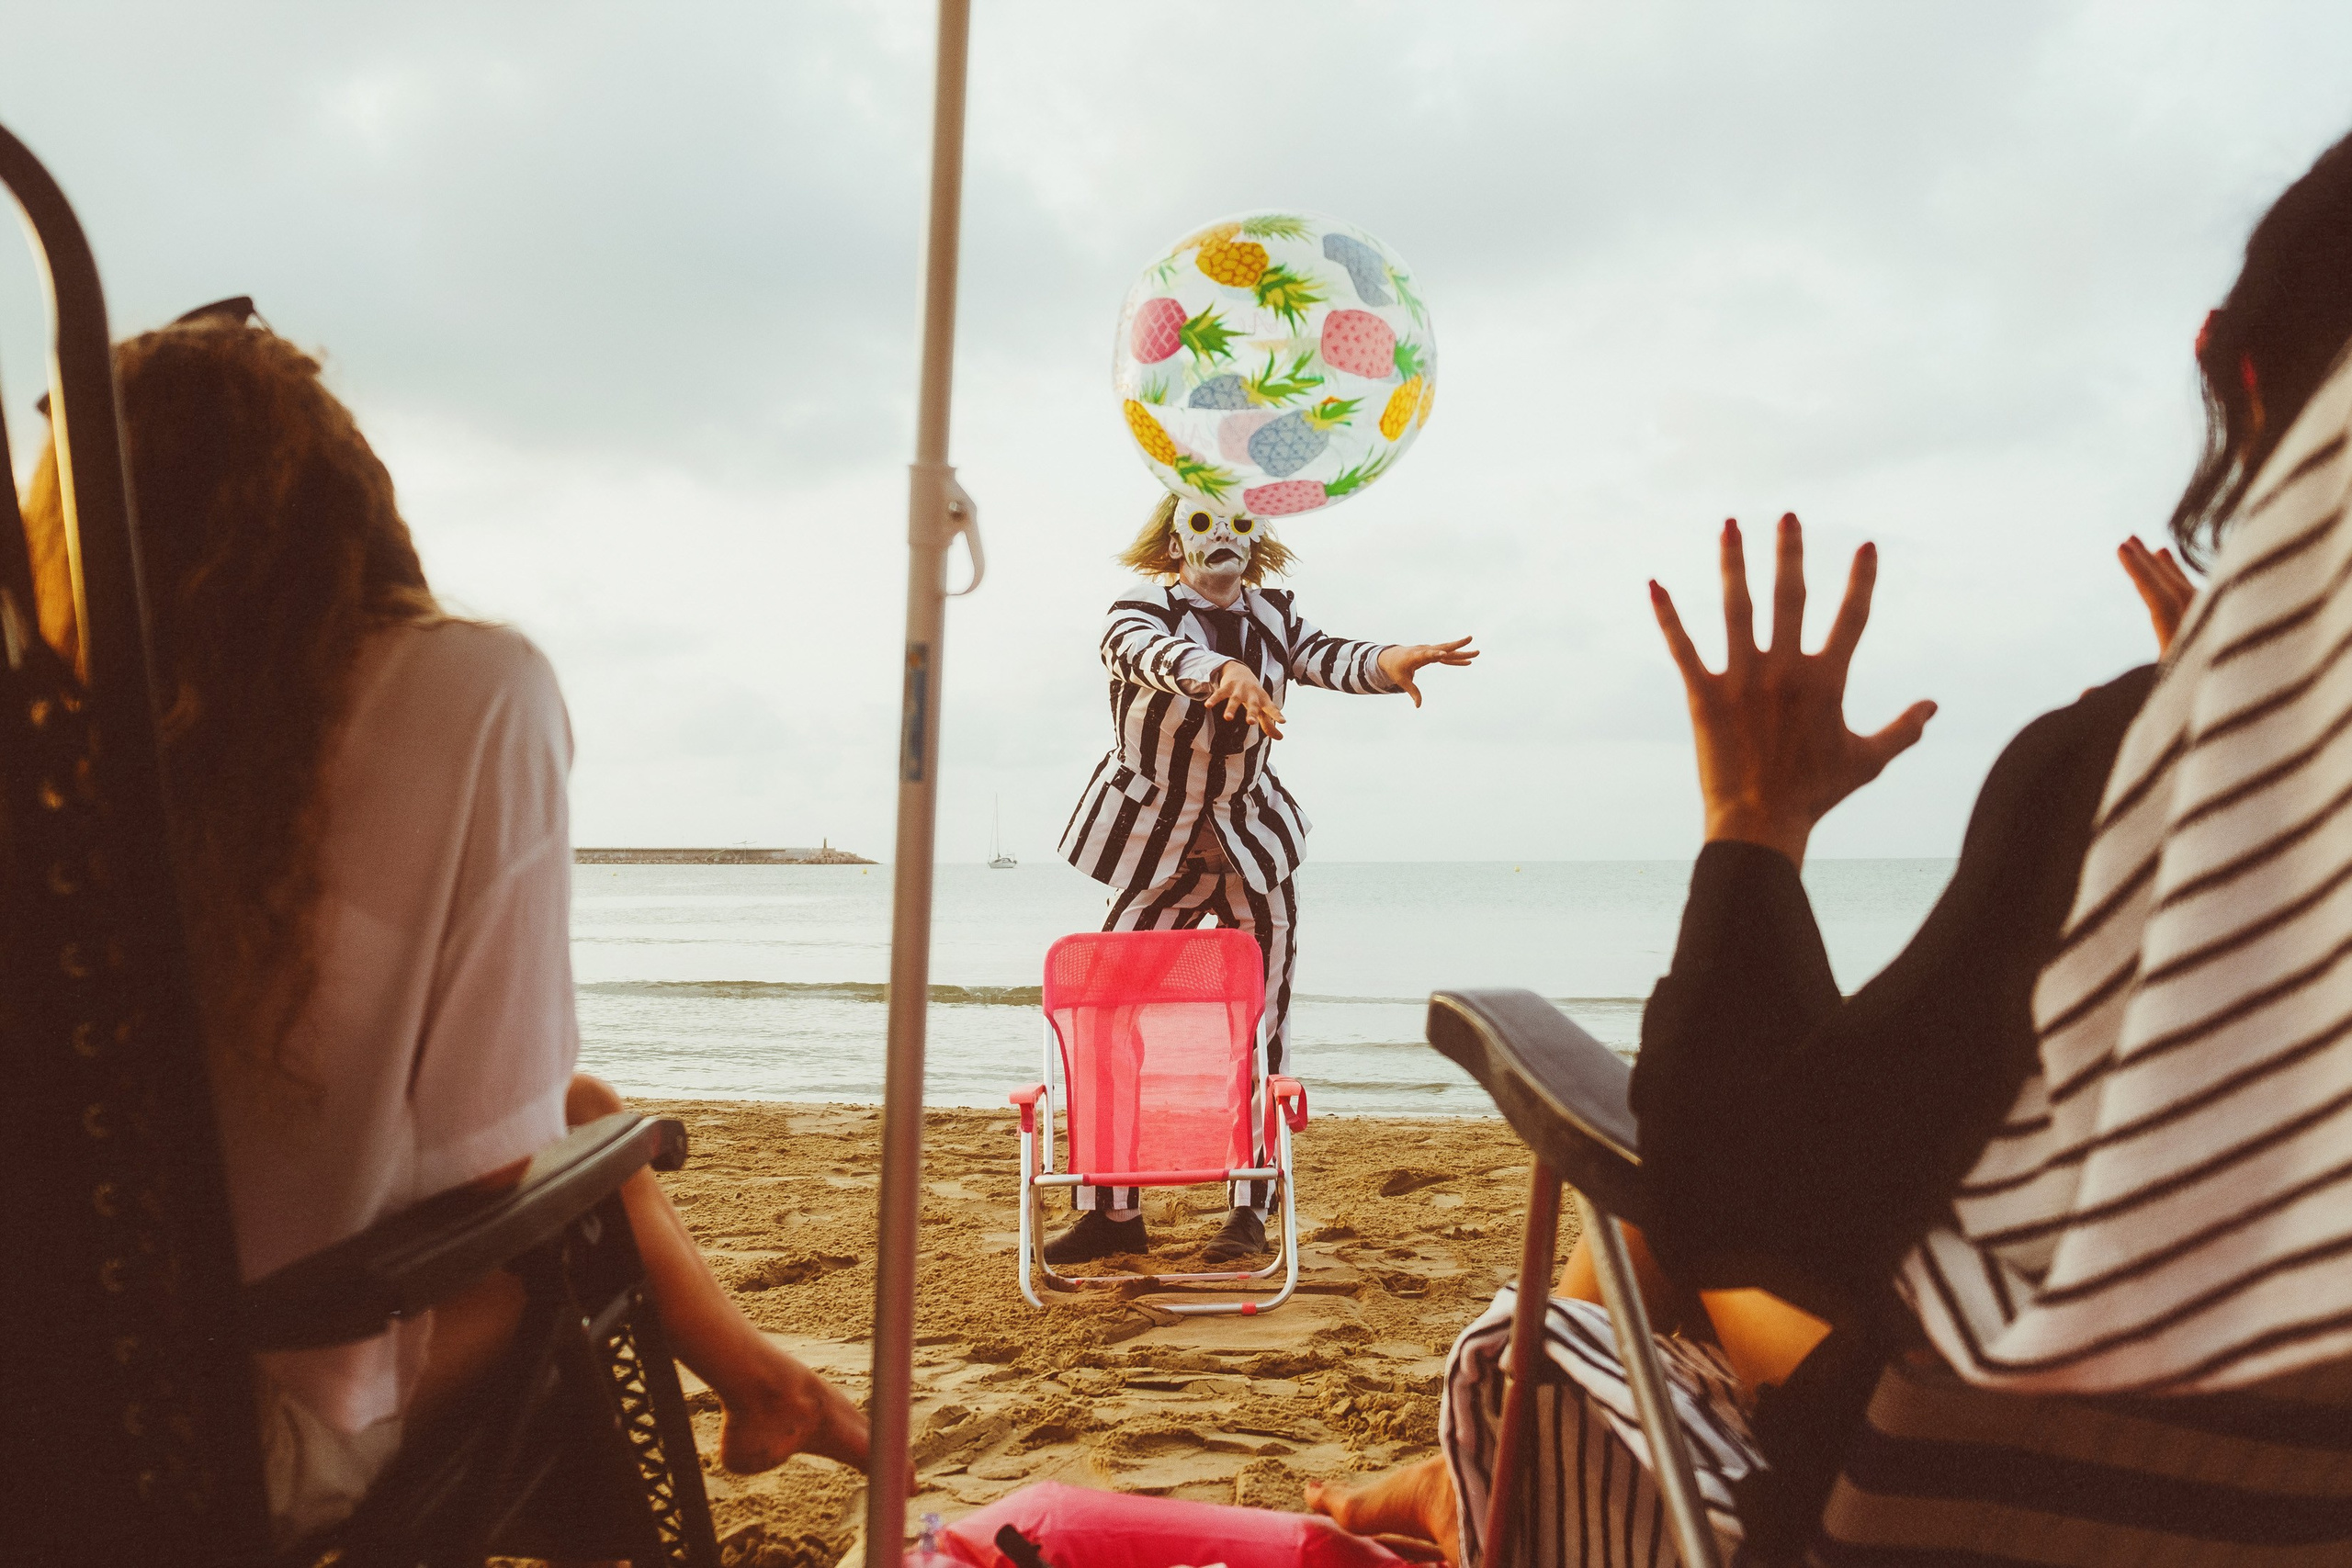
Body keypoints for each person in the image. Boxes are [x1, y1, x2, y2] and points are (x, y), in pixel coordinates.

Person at [1311, 128, 2352, 1568]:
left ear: (2241, 381)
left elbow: (1755, 1188)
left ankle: (1467, 1480)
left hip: (1941, 1522)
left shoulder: (2137, 761)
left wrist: (1756, 826)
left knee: (1542, 1336)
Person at [18, 307, 870, 1545]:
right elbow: (490, 1166)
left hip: (43, 1426)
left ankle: (764, 1384)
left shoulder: (54, 746)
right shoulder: (462, 691)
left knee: (586, 1117)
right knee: (574, 1233)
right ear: (335, 491)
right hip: (218, 1445)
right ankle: (704, 1471)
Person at [1050, 493, 1477, 1265]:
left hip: (1254, 847)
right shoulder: (1140, 606)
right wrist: (1223, 670)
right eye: (1207, 524)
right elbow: (1137, 651)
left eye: (1241, 525)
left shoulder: (1274, 616)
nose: (1226, 540)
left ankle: (1250, 1210)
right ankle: (1112, 1212)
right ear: (1177, 539)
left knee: (1261, 1027)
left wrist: (1393, 661)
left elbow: (1330, 656)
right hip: (1159, 850)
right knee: (1107, 1014)